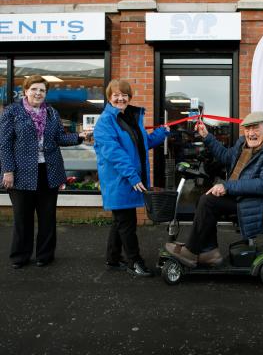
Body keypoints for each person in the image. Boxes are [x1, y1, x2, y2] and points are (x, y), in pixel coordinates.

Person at [165, 111, 263, 267]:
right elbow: (225, 156)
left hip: (258, 202)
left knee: (208, 202)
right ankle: (209, 251)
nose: (251, 133)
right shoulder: (243, 143)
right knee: (204, 199)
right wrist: (207, 136)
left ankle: (191, 251)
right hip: (240, 195)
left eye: (255, 128)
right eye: (247, 129)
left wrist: (227, 186)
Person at [0, 75, 89, 269]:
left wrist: (79, 137)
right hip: (21, 172)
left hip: (49, 171)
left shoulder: (52, 112)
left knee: (47, 217)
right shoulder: (12, 111)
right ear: (25, 91)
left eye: (42, 90)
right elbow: (4, 144)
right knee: (22, 217)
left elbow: (59, 138)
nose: (38, 93)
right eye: (34, 89)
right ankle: (20, 256)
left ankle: (45, 255)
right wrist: (8, 170)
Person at [94, 79, 169, 277]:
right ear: (109, 97)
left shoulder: (129, 118)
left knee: (120, 220)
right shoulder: (105, 121)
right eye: (116, 95)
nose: (120, 98)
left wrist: (162, 133)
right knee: (127, 223)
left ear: (129, 97)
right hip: (120, 180)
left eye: (124, 95)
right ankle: (134, 261)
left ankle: (113, 258)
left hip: (129, 178)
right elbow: (114, 153)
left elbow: (141, 145)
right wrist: (133, 176)